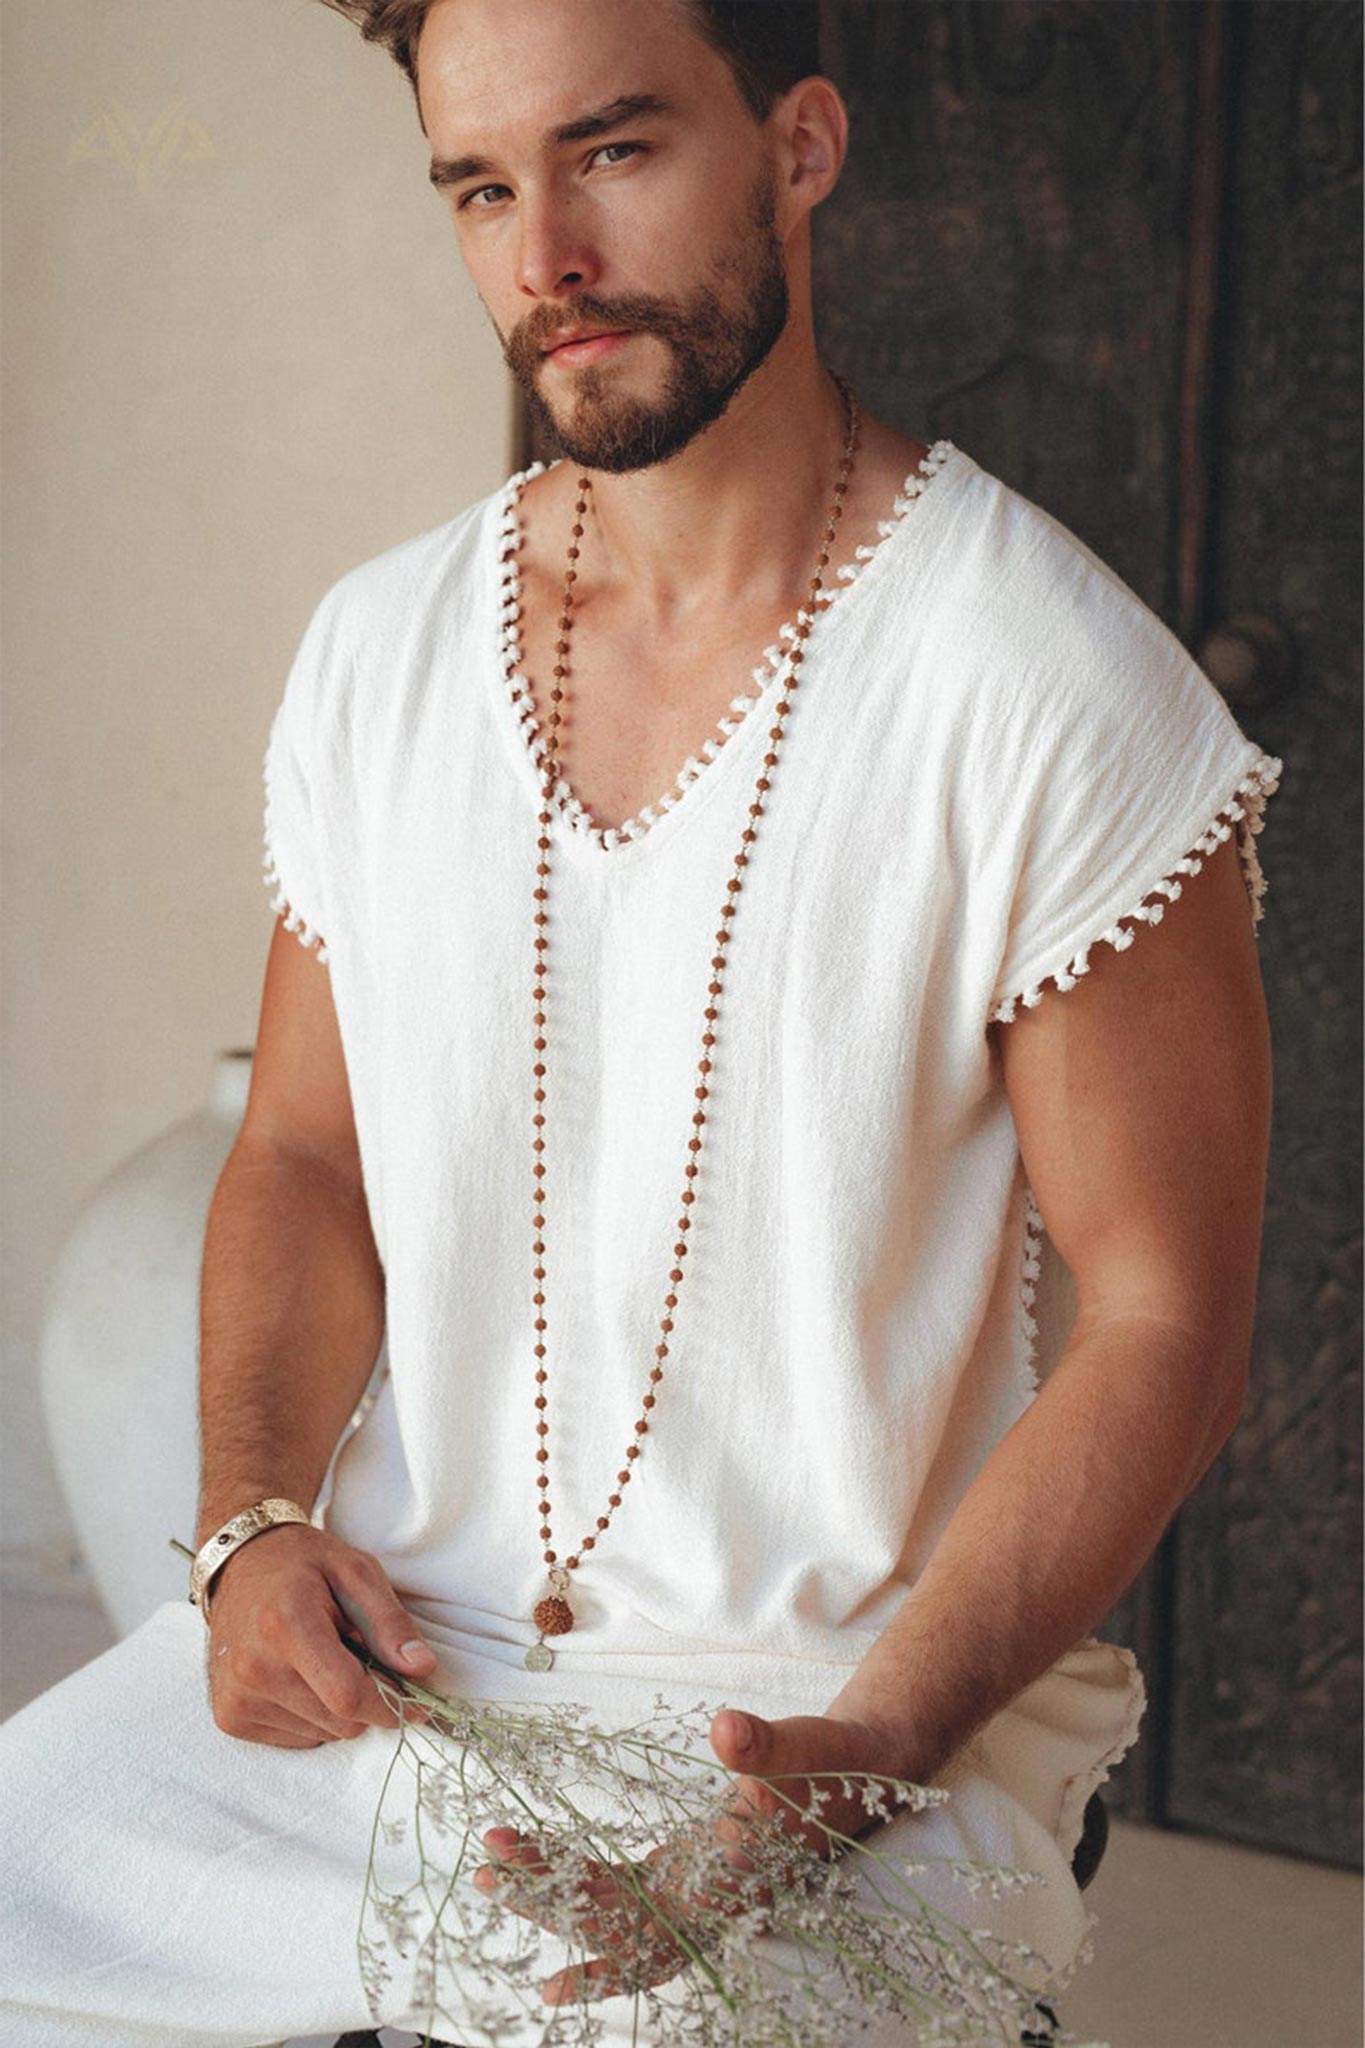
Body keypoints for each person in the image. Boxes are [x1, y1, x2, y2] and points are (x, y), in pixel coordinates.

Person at [0, 2, 1282, 2043]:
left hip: (847, 1719)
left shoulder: (1049, 692)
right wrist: (248, 1525)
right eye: (480, 187)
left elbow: (1161, 1322)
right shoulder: (373, 657)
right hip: (411, 1664)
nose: (545, 261)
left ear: (798, 143)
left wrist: (862, 1753)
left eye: (610, 154)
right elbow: (304, 1154)